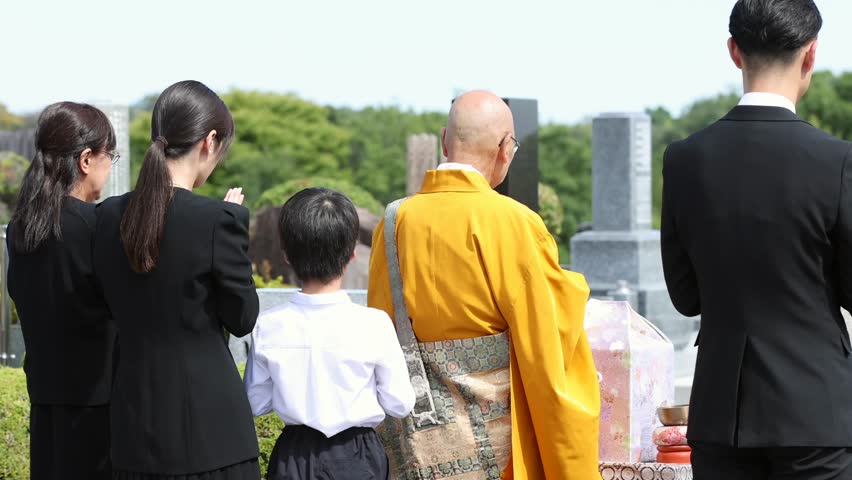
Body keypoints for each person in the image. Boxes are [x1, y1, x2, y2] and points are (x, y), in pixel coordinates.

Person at [661, 1, 852, 478]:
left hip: (721, 413)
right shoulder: (838, 161)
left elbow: (685, 298)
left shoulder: (684, 159)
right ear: (810, 55)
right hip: (816, 414)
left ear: (734, 52)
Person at [368, 90, 600, 479]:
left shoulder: (393, 221)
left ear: (444, 140)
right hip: (497, 447)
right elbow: (547, 346)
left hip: (420, 444)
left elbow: (380, 326)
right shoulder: (513, 222)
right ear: (505, 148)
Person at [93, 80, 261, 478]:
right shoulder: (217, 220)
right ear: (210, 141)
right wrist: (228, 227)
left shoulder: (104, 218)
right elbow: (242, 318)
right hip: (211, 434)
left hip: (134, 430)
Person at [244, 187, 414, 480]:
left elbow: (255, 403)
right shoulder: (374, 324)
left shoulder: (268, 324)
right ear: (351, 255)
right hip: (358, 456)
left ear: (286, 254)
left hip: (293, 455)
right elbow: (399, 403)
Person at [6, 101, 117, 480]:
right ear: (86, 159)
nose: (109, 167)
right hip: (99, 404)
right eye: (110, 156)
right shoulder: (95, 225)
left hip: (46, 399)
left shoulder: (21, 229)